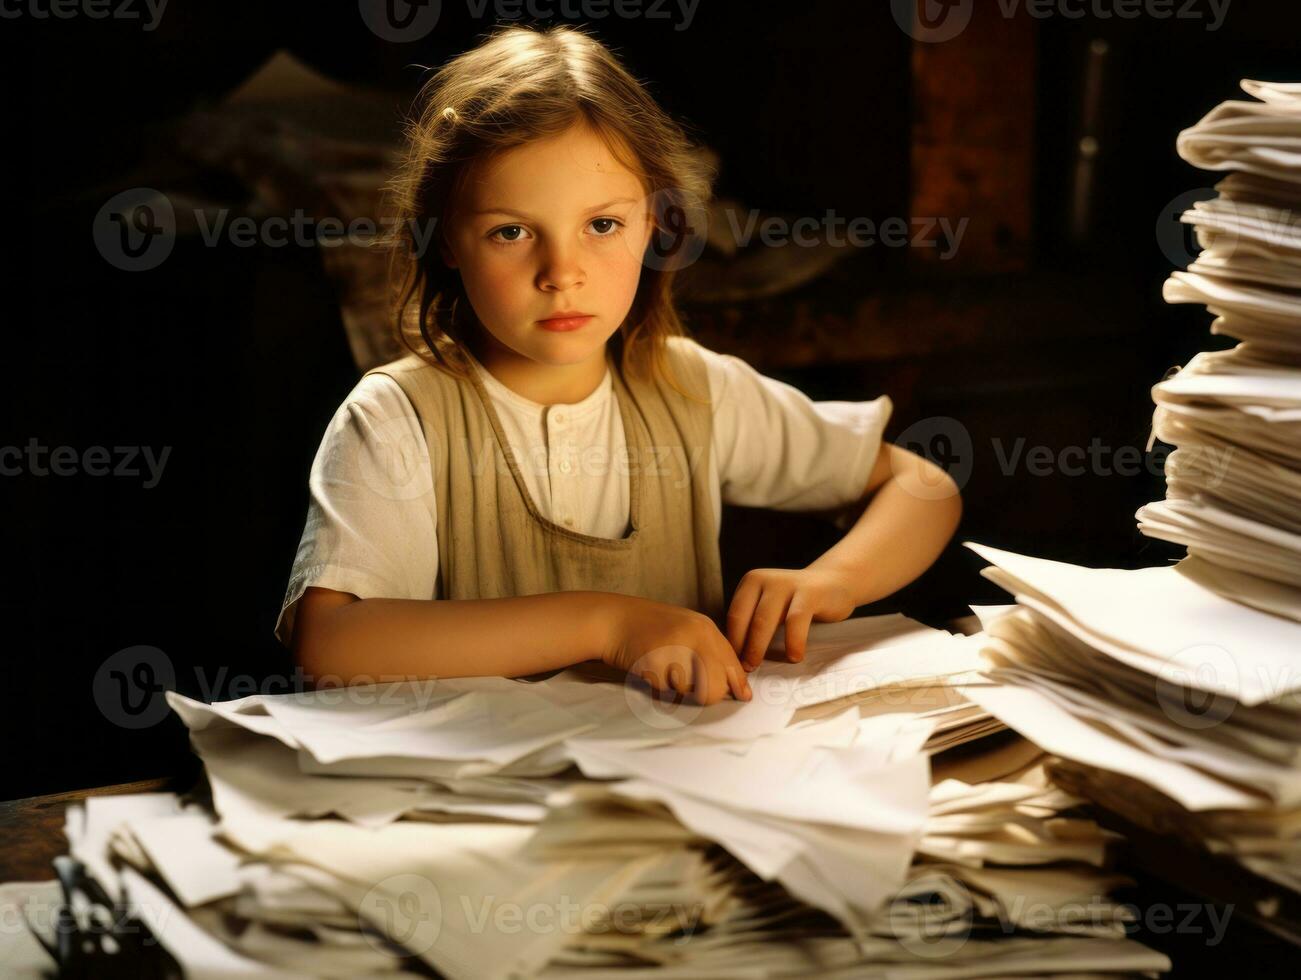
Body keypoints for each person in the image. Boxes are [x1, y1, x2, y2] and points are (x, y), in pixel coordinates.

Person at [276, 24, 962, 707]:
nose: (561, 274)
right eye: (510, 231)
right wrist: (609, 623)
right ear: (447, 239)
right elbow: (331, 643)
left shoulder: (690, 390)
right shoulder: (398, 418)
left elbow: (922, 486)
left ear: (652, 226)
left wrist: (834, 580)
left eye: (601, 225)